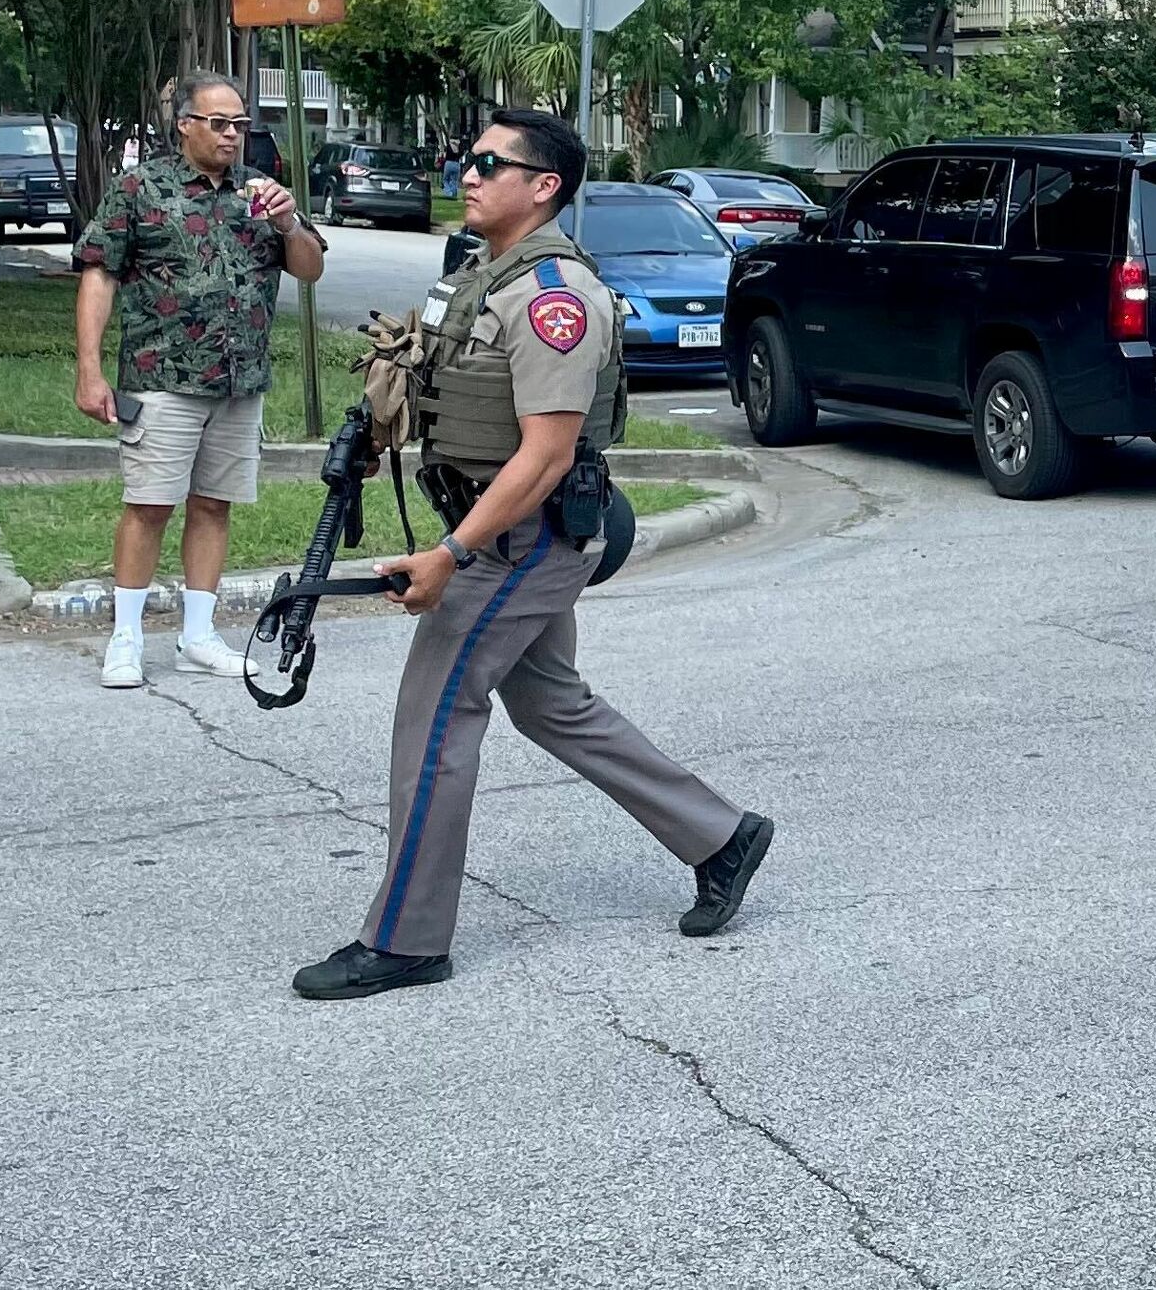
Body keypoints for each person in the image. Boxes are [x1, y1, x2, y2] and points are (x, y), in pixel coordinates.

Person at [292, 108, 773, 1000]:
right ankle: (722, 836)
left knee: (435, 718)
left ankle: (407, 938)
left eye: (487, 163)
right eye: (463, 160)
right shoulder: (481, 276)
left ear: (543, 185)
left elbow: (547, 454)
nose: (465, 174)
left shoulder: (556, 297)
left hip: (518, 539)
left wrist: (451, 555)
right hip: (501, 528)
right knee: (552, 704)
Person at [74, 72, 326, 689]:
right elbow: (100, 275)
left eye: (241, 124)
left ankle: (197, 635)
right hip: (160, 379)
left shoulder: (262, 195)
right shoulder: (140, 188)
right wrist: (89, 368)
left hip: (240, 382)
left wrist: (291, 223)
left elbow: (311, 270)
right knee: (149, 506)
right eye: (220, 123)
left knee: (214, 505)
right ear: (185, 124)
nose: (233, 136)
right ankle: (126, 638)